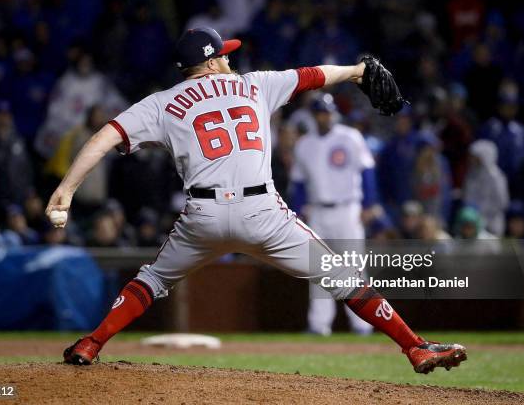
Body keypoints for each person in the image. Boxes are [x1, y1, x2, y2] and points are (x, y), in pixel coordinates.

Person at [46, 27, 466, 373]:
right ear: (211, 61)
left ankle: (91, 343)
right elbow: (316, 75)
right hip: (262, 212)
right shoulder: (255, 83)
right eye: (224, 54)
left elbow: (104, 137)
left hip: (202, 215)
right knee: (342, 277)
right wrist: (358, 70)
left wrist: (65, 191)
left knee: (153, 279)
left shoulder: (161, 103)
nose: (230, 59)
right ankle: (415, 348)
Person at [290, 93, 376, 336]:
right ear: (314, 115)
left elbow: (367, 171)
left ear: (334, 113)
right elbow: (298, 183)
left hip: (348, 209)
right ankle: (319, 325)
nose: (324, 116)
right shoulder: (304, 144)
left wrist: (368, 204)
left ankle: (362, 324)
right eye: (320, 112)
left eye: (327, 112)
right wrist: (298, 214)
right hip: (317, 211)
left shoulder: (350, 137)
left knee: (355, 267)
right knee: (319, 270)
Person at [462, 140, 509, 236]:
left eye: (476, 157)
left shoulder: (495, 176)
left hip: (492, 223)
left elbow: (502, 201)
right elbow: (467, 196)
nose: (472, 160)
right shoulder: (471, 174)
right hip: (472, 222)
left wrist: (483, 213)